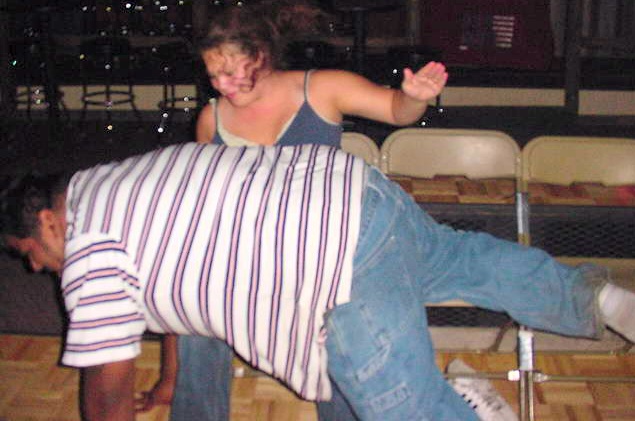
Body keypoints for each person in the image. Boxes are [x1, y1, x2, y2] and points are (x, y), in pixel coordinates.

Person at [2, 143, 634, 421]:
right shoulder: (111, 181)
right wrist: (172, 381)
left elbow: (107, 393)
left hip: (334, 254)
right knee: (459, 260)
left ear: (49, 222)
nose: (33, 267)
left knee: (401, 406)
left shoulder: (87, 247)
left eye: (27, 252)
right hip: (354, 188)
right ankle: (598, 298)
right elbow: (175, 285)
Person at [139, 0, 448, 419]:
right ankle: (185, 397)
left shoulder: (321, 88)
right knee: (192, 296)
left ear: (261, 57)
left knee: (338, 329)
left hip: (320, 255)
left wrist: (414, 98)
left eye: (231, 72)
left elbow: (395, 109)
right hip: (253, 258)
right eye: (213, 76)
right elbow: (207, 204)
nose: (222, 85)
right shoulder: (212, 119)